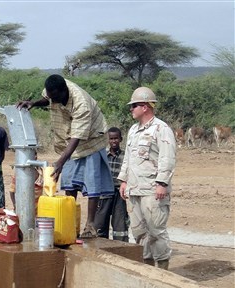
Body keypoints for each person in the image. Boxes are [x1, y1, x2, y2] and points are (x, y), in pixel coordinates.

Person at [17, 74, 114, 238]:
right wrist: (33, 103)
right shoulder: (53, 91)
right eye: (50, 97)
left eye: (55, 98)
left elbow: (77, 137)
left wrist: (60, 161)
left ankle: (90, 225)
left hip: (90, 141)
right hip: (68, 140)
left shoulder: (81, 104)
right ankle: (70, 221)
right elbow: (45, 99)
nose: (52, 101)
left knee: (91, 183)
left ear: (64, 91)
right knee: (69, 182)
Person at [118, 87, 176, 270]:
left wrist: (161, 183)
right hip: (135, 189)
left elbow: (167, 158)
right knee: (139, 232)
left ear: (145, 107)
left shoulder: (161, 129)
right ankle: (148, 268)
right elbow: (128, 157)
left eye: (134, 105)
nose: (131, 109)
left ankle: (163, 270)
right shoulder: (133, 130)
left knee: (156, 231)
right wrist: (124, 180)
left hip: (153, 189)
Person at [93, 127, 129, 241]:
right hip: (104, 193)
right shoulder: (102, 155)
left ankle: (120, 248)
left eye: (116, 138)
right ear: (108, 140)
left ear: (121, 139)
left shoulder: (126, 156)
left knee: (120, 223)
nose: (114, 141)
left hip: (119, 193)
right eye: (111, 138)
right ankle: (101, 247)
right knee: (100, 223)